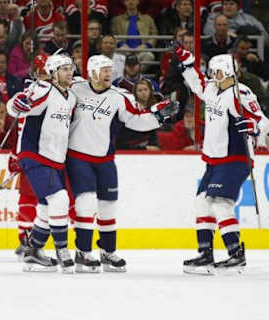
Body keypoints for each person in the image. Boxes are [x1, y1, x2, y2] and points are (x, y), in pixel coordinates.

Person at [68, 55, 179, 273]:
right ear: (91, 72)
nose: (109, 74)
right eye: (104, 70)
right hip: (78, 156)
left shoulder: (119, 96)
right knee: (86, 202)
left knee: (108, 205)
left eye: (110, 69)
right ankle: (82, 252)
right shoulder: (76, 88)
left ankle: (108, 252)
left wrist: (158, 117)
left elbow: (135, 118)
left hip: (105, 158)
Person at [172, 45, 269, 274]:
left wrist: (254, 126)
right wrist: (187, 60)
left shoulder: (240, 93)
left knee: (220, 203)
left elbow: (263, 121)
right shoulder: (213, 90)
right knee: (202, 202)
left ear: (225, 72)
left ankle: (236, 254)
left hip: (235, 158)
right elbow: (197, 83)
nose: (211, 76)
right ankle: (205, 254)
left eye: (215, 71)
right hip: (214, 160)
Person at [6, 52, 76, 273]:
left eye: (71, 68)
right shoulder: (43, 90)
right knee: (60, 198)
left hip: (55, 159)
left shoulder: (71, 96)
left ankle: (33, 251)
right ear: (53, 74)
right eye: (64, 69)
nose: (70, 72)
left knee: (46, 206)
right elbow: (17, 105)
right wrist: (16, 104)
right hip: (34, 155)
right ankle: (62, 249)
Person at [116, 79, 162, 150]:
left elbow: (155, 146)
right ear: (135, 94)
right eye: (140, 90)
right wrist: (143, 148)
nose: (143, 92)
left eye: (145, 90)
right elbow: (119, 145)